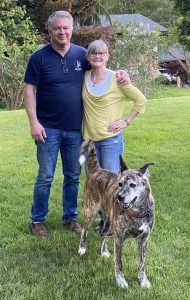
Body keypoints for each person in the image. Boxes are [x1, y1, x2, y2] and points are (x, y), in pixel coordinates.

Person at [24, 11, 130, 236]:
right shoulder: (38, 58)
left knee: (73, 175)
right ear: (50, 30)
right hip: (47, 129)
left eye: (66, 28)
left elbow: (102, 68)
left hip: (76, 130)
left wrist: (122, 74)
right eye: (57, 28)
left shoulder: (82, 55)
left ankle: (70, 218)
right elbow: (29, 90)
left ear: (71, 29)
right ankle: (37, 220)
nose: (62, 32)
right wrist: (34, 122)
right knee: (45, 175)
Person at [82, 40, 147, 232]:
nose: (97, 56)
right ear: (88, 57)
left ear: (108, 56)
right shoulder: (84, 77)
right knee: (96, 184)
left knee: (112, 185)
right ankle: (104, 220)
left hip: (110, 141)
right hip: (90, 141)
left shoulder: (117, 79)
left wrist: (126, 121)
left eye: (102, 53)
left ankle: (113, 224)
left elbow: (140, 100)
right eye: (93, 53)